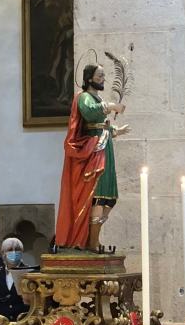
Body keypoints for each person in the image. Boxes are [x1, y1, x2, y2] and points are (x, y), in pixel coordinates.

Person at [55, 63, 130, 252]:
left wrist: (116, 131)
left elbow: (100, 125)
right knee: (97, 196)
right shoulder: (83, 97)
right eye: (99, 76)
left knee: (109, 198)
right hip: (93, 152)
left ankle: (94, 239)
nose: (103, 79)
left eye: (103, 76)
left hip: (105, 149)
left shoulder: (96, 98)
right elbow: (89, 113)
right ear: (89, 79)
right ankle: (92, 242)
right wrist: (110, 106)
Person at [0, 238, 32, 325]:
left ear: (22, 252)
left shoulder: (30, 273)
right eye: (10, 250)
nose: (14, 253)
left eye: (17, 249)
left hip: (23, 324)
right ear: (3, 253)